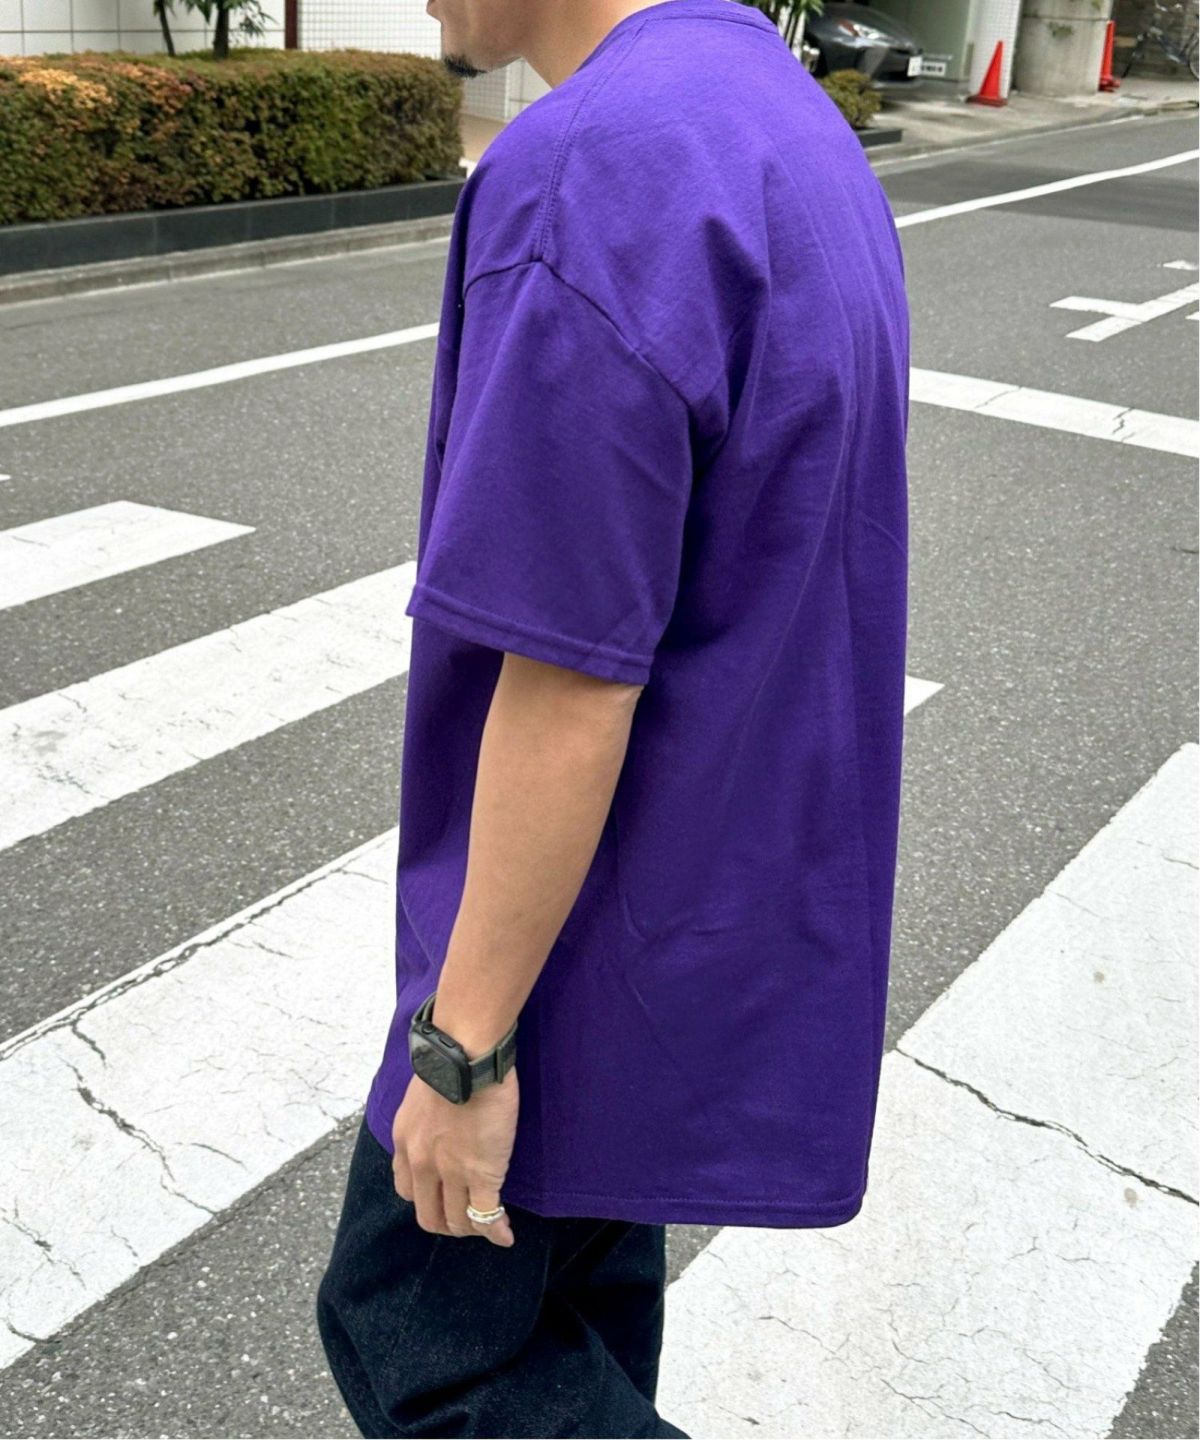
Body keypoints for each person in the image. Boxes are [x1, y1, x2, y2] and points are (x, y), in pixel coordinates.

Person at [316, 0, 910, 1434]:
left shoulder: (591, 166)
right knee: (579, 1321)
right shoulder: (784, 120)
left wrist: (463, 1048)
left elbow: (571, 671)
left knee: (420, 1337)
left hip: (574, 943)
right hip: (696, 911)